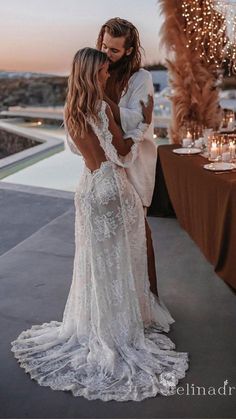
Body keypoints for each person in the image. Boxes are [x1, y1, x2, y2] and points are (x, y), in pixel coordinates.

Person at [11, 48, 189, 402]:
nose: (108, 75)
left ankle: (98, 323)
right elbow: (121, 151)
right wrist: (141, 128)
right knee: (121, 260)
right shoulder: (103, 108)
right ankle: (120, 330)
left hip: (88, 189)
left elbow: (84, 153)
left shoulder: (71, 111)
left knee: (96, 264)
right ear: (92, 73)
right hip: (113, 189)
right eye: (105, 71)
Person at [97, 17, 159, 297]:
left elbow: (139, 120)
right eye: (104, 45)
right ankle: (116, 300)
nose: (106, 54)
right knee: (109, 239)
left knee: (138, 235)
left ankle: (147, 299)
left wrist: (103, 103)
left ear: (129, 51)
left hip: (132, 163)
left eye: (114, 50)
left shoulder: (141, 78)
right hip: (103, 165)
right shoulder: (97, 70)